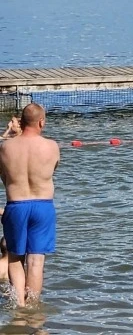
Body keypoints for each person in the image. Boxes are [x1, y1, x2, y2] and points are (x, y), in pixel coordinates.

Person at [0, 103, 59, 307]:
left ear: (22, 121)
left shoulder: (5, 148)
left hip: (16, 205)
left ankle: (19, 306)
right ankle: (33, 307)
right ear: (41, 122)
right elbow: (52, 170)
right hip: (43, 206)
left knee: (15, 258)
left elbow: (4, 176)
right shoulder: (51, 146)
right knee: (36, 261)